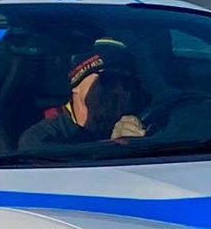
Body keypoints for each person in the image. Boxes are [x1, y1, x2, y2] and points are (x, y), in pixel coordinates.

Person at [19, 43, 148, 151]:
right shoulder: (41, 139)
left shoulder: (143, 125)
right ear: (76, 84)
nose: (119, 91)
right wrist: (115, 147)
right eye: (108, 80)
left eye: (127, 83)